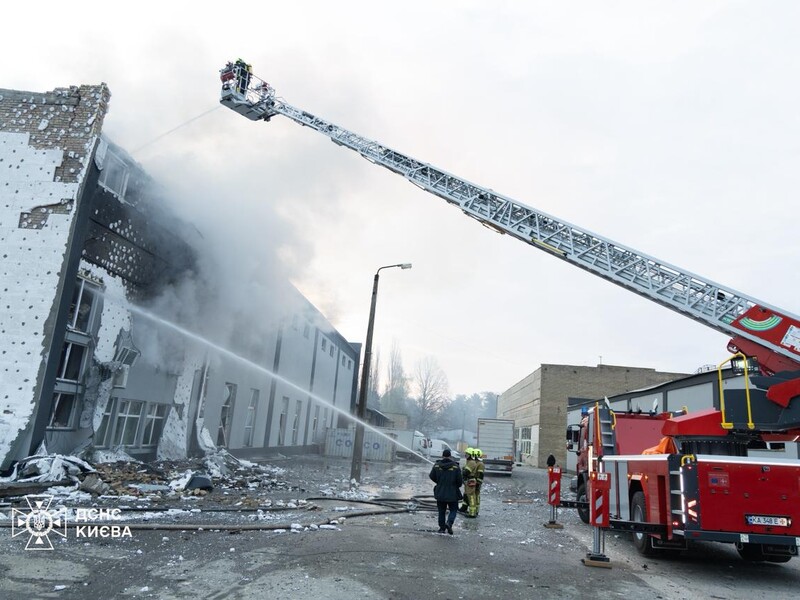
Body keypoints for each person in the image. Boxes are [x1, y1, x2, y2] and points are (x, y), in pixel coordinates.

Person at [429, 448, 463, 534]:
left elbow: (432, 476)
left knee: (441, 511)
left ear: (442, 455)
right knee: (454, 509)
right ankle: (449, 523)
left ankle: (442, 528)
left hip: (440, 492)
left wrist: (439, 483)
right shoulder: (456, 466)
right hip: (452, 493)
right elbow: (459, 481)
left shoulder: (436, 465)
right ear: (450, 456)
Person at [461, 448, 481, 518]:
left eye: (466, 454)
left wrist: (462, 473)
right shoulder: (469, 462)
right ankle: (467, 510)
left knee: (471, 497)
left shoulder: (471, 463)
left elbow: (466, 472)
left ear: (470, 455)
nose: (465, 455)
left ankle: (472, 513)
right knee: (467, 495)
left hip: (470, 481)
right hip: (468, 481)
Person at [472, 448, 486, 517]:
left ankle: (476, 511)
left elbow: (481, 475)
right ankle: (474, 510)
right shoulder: (476, 463)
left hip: (477, 482)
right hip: (474, 482)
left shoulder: (480, 464)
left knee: (476, 496)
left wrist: (478, 483)